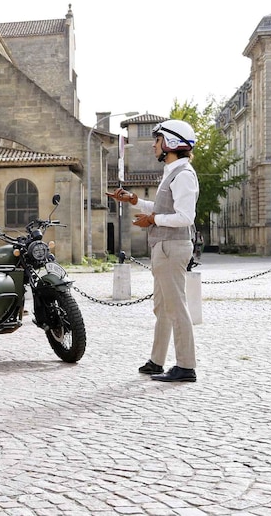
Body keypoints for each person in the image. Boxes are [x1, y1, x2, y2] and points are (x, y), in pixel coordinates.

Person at [107, 119, 200, 383]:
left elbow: (184, 217)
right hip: (163, 246)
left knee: (176, 306)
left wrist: (153, 220)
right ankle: (157, 361)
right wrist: (134, 200)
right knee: (162, 307)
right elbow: (163, 208)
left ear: (170, 143)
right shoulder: (173, 172)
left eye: (157, 140)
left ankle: (186, 366)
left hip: (172, 247)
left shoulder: (183, 175)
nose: (153, 145)